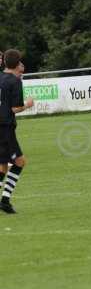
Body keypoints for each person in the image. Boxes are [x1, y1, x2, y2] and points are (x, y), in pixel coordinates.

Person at [0, 49, 34, 214]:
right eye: (20, 62)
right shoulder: (14, 81)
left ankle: (5, 202)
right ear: (16, 64)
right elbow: (15, 108)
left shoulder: (1, 77)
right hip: (5, 128)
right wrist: (28, 104)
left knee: (3, 167)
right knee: (19, 162)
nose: (22, 64)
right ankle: (5, 201)